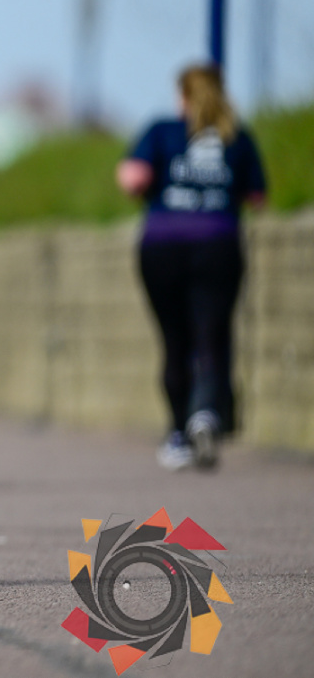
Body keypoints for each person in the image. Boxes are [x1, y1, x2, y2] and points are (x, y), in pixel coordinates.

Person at [117, 64, 267, 471]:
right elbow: (257, 198)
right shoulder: (238, 137)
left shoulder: (162, 131)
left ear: (182, 96)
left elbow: (132, 179)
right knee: (212, 334)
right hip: (218, 243)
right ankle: (207, 412)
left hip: (163, 243)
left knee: (174, 339)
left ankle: (178, 433)